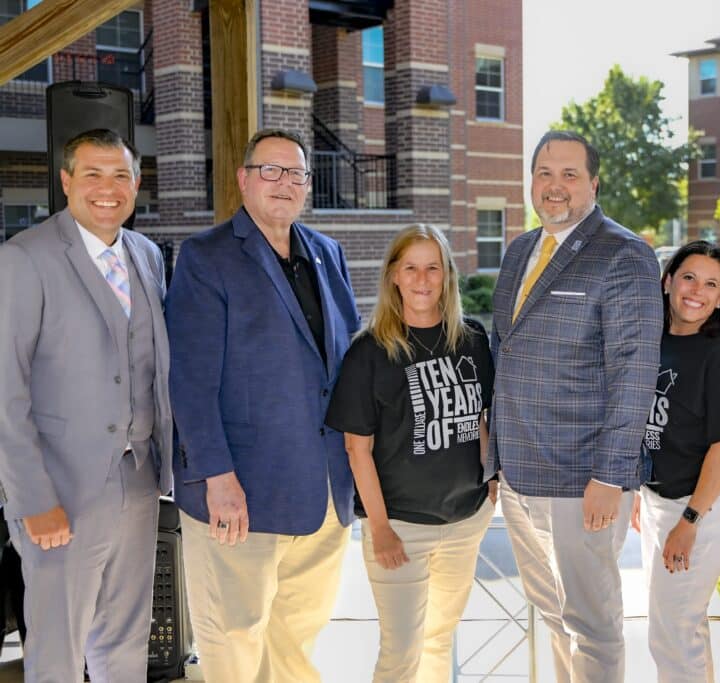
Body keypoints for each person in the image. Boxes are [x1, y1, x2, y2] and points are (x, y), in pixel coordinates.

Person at [165, 129, 361, 682]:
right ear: (244, 179)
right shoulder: (207, 258)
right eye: (270, 171)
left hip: (322, 493)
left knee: (296, 643)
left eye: (296, 173)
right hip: (240, 494)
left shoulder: (328, 254)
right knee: (234, 639)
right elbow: (191, 381)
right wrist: (216, 476)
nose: (284, 184)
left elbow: (344, 367)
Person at [487, 130, 662, 682]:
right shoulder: (519, 251)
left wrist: (611, 476)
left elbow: (635, 375)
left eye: (568, 174)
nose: (554, 186)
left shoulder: (625, 254)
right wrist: (495, 464)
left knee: (592, 623)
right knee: (553, 616)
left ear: (593, 182)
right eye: (544, 173)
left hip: (582, 479)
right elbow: (504, 350)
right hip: (518, 476)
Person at [0, 128, 172, 681]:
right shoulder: (23, 259)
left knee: (126, 641)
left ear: (136, 184)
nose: (107, 188)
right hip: (59, 493)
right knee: (57, 652)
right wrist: (31, 498)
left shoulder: (147, 255)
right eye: (92, 174)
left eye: (120, 175)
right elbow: (6, 390)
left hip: (139, 481)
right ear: (67, 181)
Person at [325, 224, 495, 682]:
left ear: (447, 276)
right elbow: (356, 449)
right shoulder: (370, 352)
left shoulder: (473, 339)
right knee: (401, 652)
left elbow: (482, 418)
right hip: (400, 527)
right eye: (411, 268)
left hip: (465, 521)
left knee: (439, 639)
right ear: (394, 276)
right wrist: (379, 528)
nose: (422, 280)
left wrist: (491, 481)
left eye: (433, 268)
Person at [631, 240, 720, 683]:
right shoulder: (656, 342)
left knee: (672, 631)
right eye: (688, 277)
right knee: (678, 624)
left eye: (711, 284)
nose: (696, 291)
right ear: (667, 282)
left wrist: (689, 520)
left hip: (704, 505)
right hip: (660, 501)